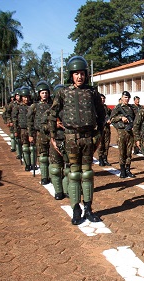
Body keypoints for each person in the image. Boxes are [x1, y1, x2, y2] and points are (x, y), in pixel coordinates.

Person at [49, 56, 105, 225]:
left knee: (87, 174)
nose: (79, 77)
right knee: (74, 175)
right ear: (71, 76)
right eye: (76, 74)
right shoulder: (63, 93)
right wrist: (53, 136)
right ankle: (76, 209)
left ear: (86, 75)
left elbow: (101, 114)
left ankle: (88, 209)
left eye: (82, 73)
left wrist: (99, 134)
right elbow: (52, 113)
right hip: (71, 138)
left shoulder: (92, 92)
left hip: (89, 138)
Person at [28, 81, 53, 184]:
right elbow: (30, 121)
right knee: (43, 156)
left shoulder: (52, 105)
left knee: (52, 156)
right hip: (40, 134)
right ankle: (44, 176)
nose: (44, 95)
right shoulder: (34, 106)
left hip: (51, 134)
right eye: (42, 93)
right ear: (38, 94)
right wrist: (30, 135)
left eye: (46, 93)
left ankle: (52, 176)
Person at [47, 84, 67, 200]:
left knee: (69, 168)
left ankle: (67, 190)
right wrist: (54, 125)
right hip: (56, 141)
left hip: (69, 141)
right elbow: (41, 125)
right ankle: (58, 191)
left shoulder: (71, 111)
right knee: (55, 168)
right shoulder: (51, 111)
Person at [111, 91, 137, 178]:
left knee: (129, 152)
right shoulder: (118, 108)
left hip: (130, 132)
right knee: (122, 152)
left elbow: (136, 118)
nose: (127, 99)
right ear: (122, 98)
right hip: (122, 132)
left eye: (128, 98)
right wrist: (121, 118)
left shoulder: (131, 108)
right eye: (125, 97)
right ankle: (122, 171)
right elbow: (112, 119)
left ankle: (128, 169)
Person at [12, 86, 33, 171]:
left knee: (32, 148)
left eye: (27, 97)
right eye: (24, 97)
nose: (26, 99)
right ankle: (27, 164)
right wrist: (16, 131)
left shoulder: (32, 106)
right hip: (22, 129)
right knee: (25, 147)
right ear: (21, 98)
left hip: (31, 130)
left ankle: (32, 163)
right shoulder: (17, 107)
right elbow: (15, 119)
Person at [97, 94, 112, 167]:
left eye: (103, 98)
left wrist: (110, 119)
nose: (103, 99)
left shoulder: (107, 108)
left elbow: (112, 115)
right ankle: (100, 159)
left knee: (107, 144)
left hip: (107, 128)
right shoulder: (96, 107)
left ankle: (105, 158)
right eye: (101, 98)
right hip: (100, 128)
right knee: (100, 144)